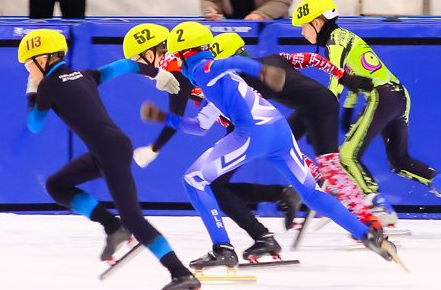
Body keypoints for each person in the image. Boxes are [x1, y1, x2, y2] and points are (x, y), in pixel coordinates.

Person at [141, 21, 403, 270]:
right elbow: (199, 126)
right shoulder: (214, 81)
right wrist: (164, 117)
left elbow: (229, 62)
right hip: (278, 131)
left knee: (194, 179)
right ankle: (368, 235)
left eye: (176, 57)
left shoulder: (202, 69)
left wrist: (263, 72)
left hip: (252, 133)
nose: (175, 64)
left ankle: (223, 249)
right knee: (311, 193)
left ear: (184, 53)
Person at [20, 28, 206, 290]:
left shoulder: (48, 85)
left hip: (109, 151)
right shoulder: (85, 75)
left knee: (133, 219)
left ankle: (181, 274)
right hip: (108, 150)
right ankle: (112, 226)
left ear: (42, 59)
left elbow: (34, 125)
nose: (29, 72)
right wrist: (157, 73)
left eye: (29, 66)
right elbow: (125, 65)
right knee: (56, 185)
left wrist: (32, 92)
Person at [291, 0, 441, 225]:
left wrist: (319, 116)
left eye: (303, 26)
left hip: (381, 96)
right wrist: (348, 109)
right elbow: (352, 77)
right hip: (399, 95)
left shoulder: (334, 43)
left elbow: (336, 82)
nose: (302, 33)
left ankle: (378, 208)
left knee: (347, 156)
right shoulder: (344, 37)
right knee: (399, 160)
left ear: (317, 23)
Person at [121, 24, 298, 259]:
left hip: (244, 122)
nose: (139, 70)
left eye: (138, 61)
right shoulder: (174, 62)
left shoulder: (174, 66)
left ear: (150, 53)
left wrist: (154, 148)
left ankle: (255, 233)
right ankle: (276, 204)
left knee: (209, 184)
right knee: (216, 186)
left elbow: (177, 112)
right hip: (242, 117)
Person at [208, 32, 384, 231]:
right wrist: (345, 78)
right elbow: (313, 59)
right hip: (310, 107)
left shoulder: (247, 82)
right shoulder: (274, 58)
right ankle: (321, 180)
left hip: (321, 109)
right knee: (283, 146)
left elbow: (242, 115)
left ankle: (367, 218)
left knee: (331, 167)